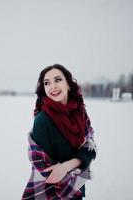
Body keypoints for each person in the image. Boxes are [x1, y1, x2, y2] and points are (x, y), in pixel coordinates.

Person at [22, 64, 97, 200]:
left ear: (68, 85)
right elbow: (47, 171)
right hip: (54, 193)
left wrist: (67, 165)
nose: (53, 86)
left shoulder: (80, 113)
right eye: (47, 83)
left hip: (76, 190)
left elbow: (91, 148)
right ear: (44, 90)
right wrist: (79, 163)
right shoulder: (42, 121)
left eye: (58, 80)